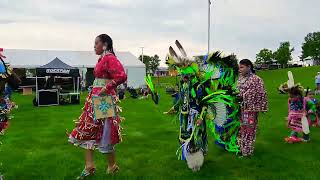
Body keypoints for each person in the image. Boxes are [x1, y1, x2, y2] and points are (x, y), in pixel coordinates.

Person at [68, 34, 127, 178]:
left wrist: (106, 88)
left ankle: (111, 166)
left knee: (104, 131)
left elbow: (121, 76)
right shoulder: (102, 58)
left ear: (105, 44)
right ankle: (90, 166)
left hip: (103, 100)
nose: (94, 46)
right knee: (88, 128)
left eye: (96, 43)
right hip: (96, 98)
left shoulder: (109, 58)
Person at [237, 59, 268, 157]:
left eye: (242, 67)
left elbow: (261, 93)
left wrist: (244, 96)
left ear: (249, 67)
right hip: (240, 109)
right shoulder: (240, 79)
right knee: (241, 129)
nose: (240, 69)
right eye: (239, 67)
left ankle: (247, 151)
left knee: (249, 129)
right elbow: (236, 90)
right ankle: (240, 148)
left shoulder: (256, 79)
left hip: (250, 109)